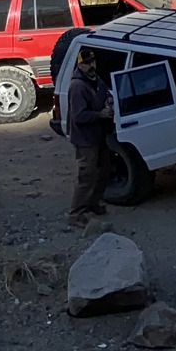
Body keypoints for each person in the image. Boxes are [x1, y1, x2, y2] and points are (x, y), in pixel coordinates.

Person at [60, 41, 116, 223]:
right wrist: (100, 114)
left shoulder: (95, 79)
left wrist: (108, 100)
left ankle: (93, 203)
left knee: (104, 171)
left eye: (92, 61)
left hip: (98, 136)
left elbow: (106, 92)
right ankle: (75, 214)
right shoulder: (78, 86)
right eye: (86, 63)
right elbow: (79, 116)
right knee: (86, 176)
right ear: (79, 65)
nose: (91, 65)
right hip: (85, 140)